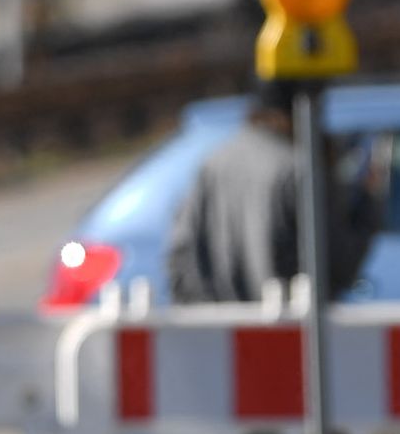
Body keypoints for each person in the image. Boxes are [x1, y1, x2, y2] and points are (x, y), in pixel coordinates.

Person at [163, 90, 385, 306]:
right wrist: (367, 203)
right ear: (302, 112)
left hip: (216, 333)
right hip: (285, 332)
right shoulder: (297, 170)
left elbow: (180, 254)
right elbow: (336, 267)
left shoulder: (214, 162)